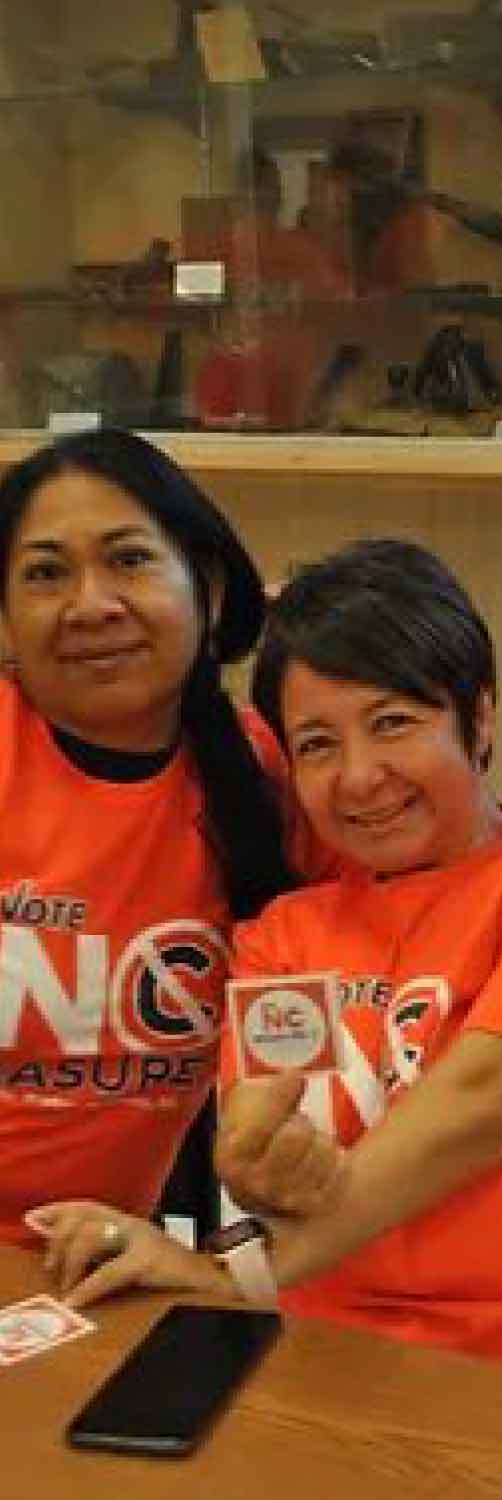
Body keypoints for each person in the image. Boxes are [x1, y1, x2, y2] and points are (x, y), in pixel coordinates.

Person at [33, 539, 502, 1407]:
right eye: (317, 744)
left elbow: (485, 1107)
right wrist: (254, 1169)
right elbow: (260, 1133)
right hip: (323, 1376)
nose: (360, 778)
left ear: (483, 716)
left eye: (394, 723)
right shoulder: (287, 933)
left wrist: (234, 1269)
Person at [0, 426, 295, 1244]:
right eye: (47, 573)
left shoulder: (269, 774)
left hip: (92, 1269)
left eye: (129, 559)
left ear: (206, 585)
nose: (92, 604)